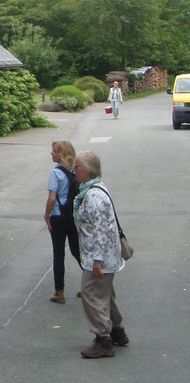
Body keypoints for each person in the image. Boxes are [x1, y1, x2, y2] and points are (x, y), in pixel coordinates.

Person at [73, 150, 129, 358]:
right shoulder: (96, 188)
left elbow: (100, 230)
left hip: (99, 257)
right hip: (107, 256)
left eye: (77, 166)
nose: (74, 170)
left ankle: (103, 339)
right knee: (105, 294)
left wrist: (97, 260)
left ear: (87, 170)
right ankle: (117, 331)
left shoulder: (93, 195)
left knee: (90, 293)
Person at [44, 140, 81, 304]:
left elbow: (52, 197)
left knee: (58, 254)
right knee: (77, 251)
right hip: (71, 217)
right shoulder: (74, 171)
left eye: (54, 151)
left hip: (58, 217)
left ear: (61, 155)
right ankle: (91, 284)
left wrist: (46, 215)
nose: (51, 154)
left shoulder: (55, 173)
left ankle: (59, 292)